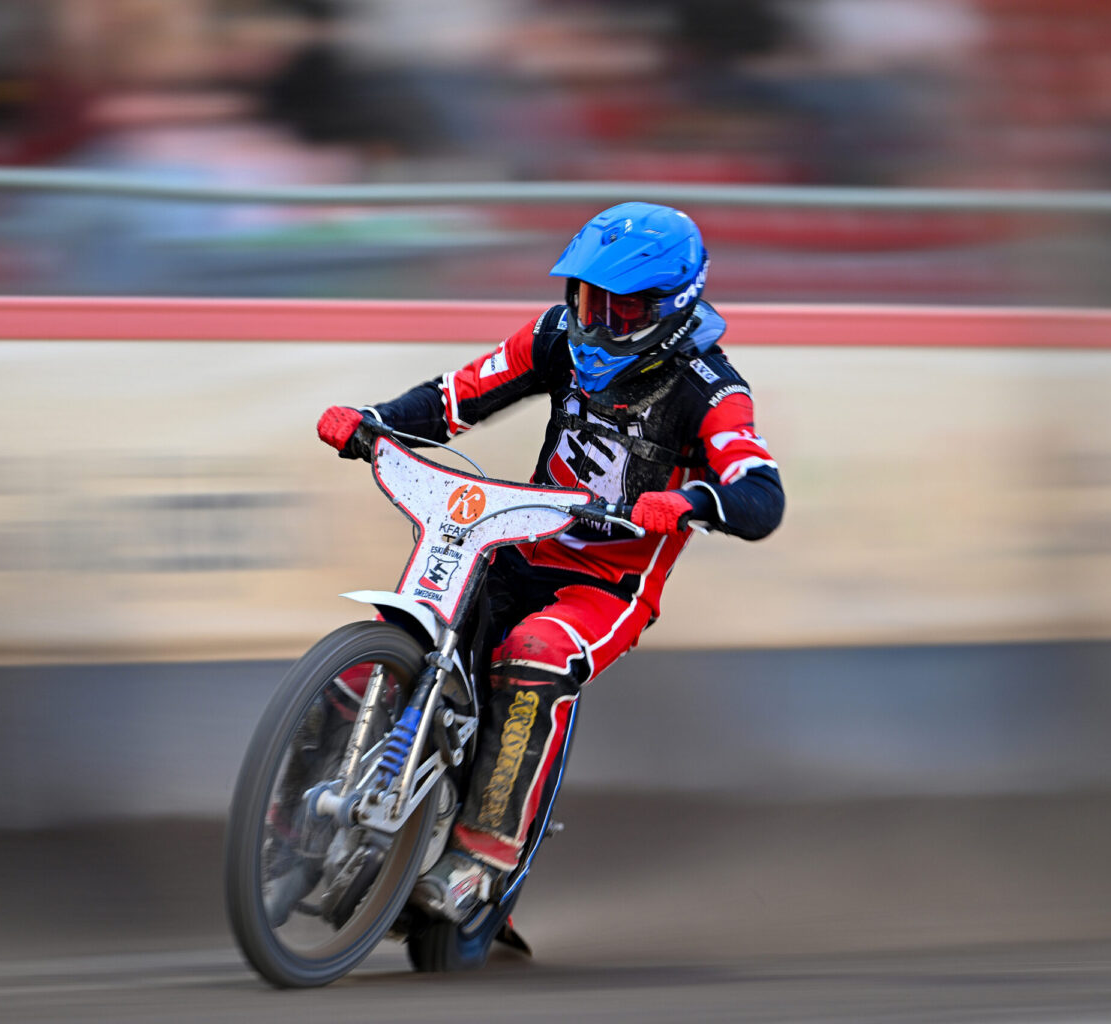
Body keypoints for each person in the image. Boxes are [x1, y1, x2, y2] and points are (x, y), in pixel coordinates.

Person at [316, 202, 784, 922]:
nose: (595, 323)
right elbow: (455, 398)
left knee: (534, 656)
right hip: (516, 542)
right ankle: (288, 813)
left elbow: (761, 494)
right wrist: (373, 421)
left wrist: (693, 500)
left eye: (621, 310)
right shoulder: (554, 335)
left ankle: (482, 858)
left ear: (671, 309)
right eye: (588, 300)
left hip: (610, 585)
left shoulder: (713, 391)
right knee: (392, 636)